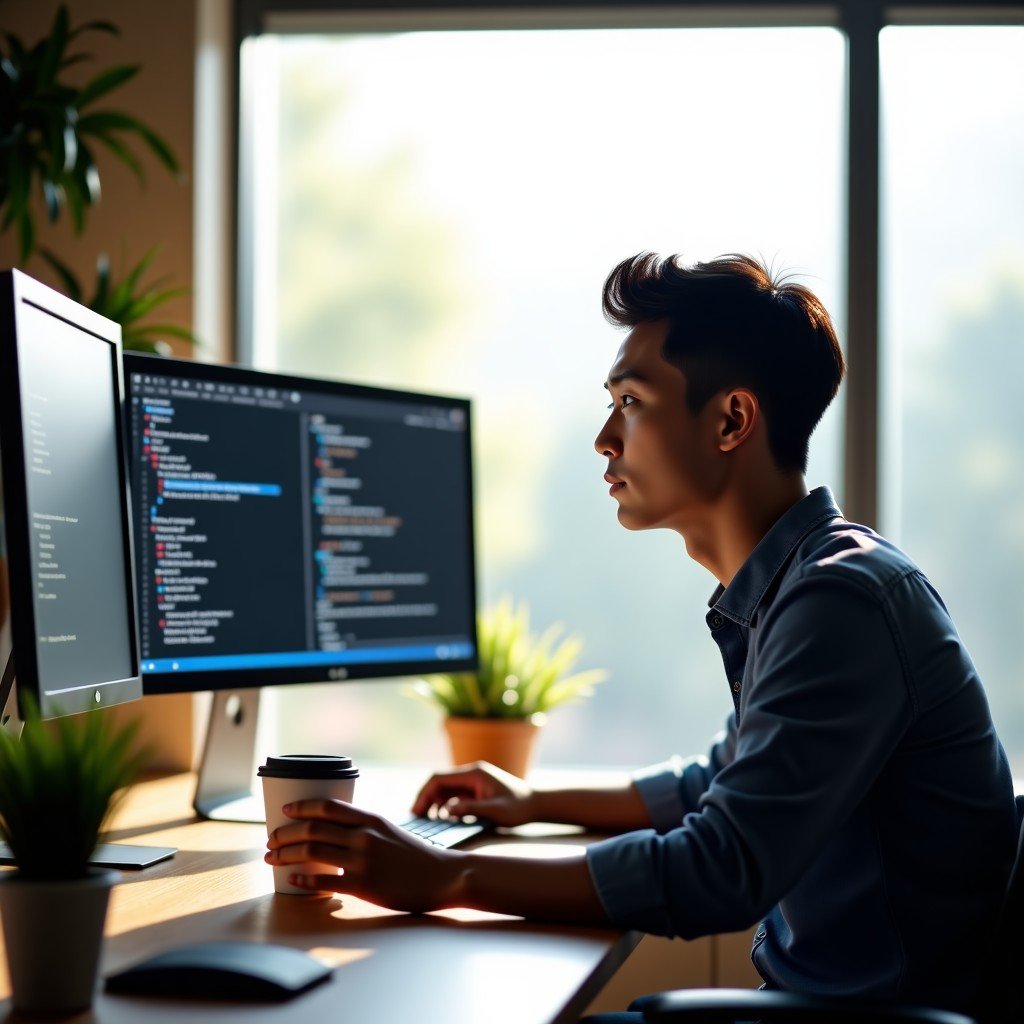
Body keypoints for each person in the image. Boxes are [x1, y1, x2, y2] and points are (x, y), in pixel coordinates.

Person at [265, 252, 1018, 1016]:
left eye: (631, 401)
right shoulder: (801, 584)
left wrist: (447, 878)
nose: (603, 437)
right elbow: (723, 779)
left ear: (731, 420)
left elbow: (720, 869)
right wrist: (531, 800)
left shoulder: (839, 600)